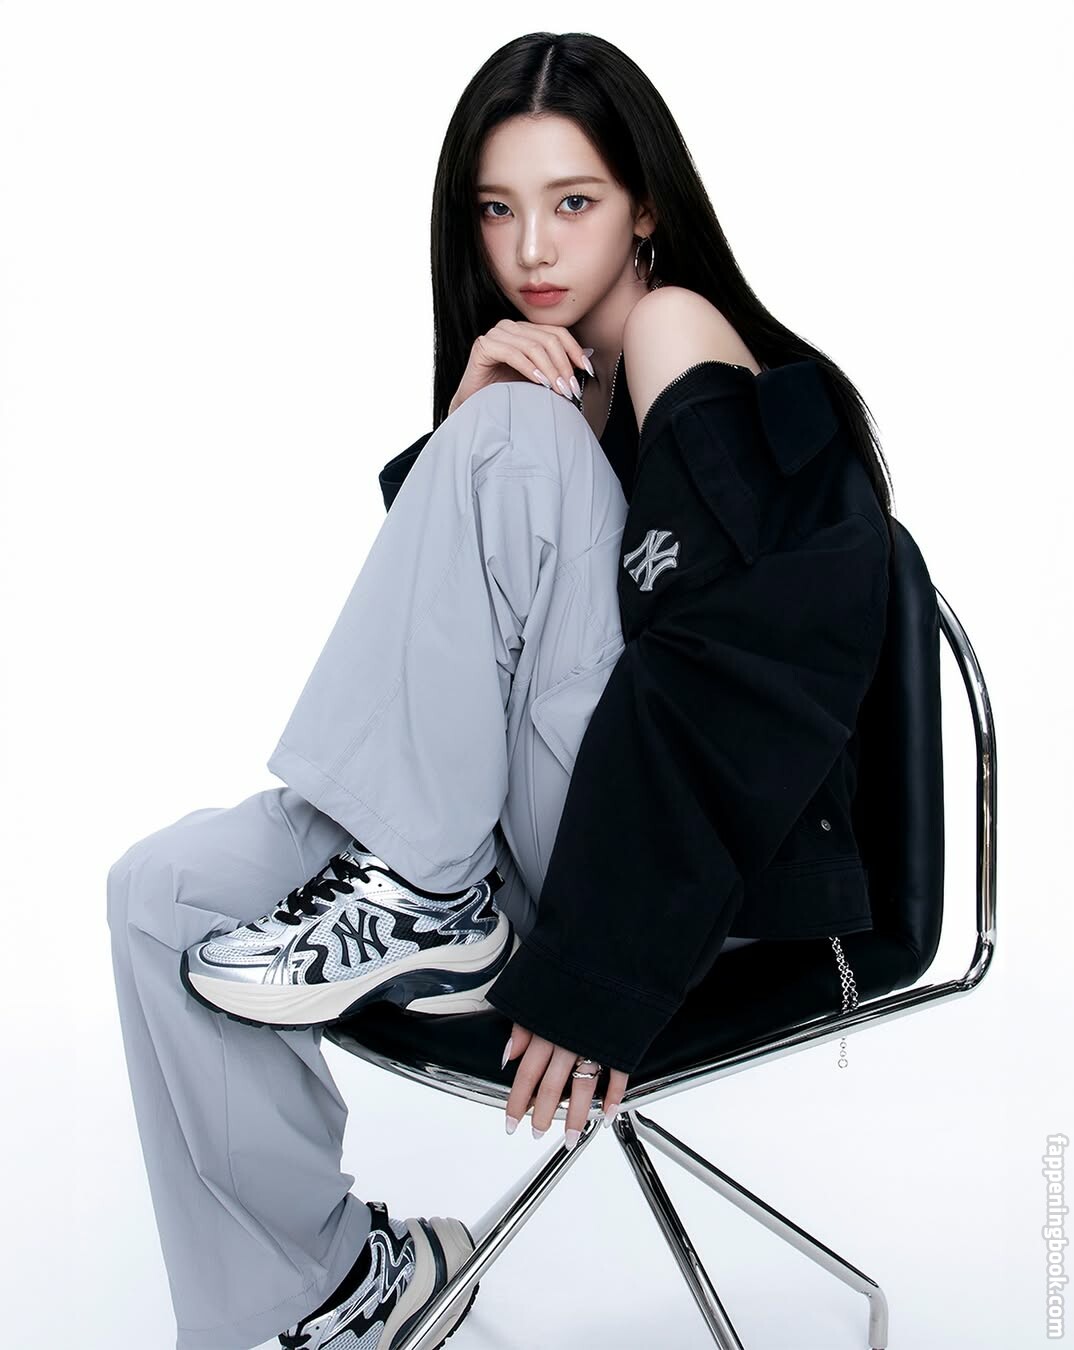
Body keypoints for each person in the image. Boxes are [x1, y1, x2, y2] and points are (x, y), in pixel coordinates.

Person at [106, 30, 895, 1350]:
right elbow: (451, 679)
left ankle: (423, 889)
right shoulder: (544, 395)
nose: (531, 249)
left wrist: (606, 966)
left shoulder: (672, 327)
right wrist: (460, 433)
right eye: (496, 209)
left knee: (511, 437)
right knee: (161, 896)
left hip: (675, 867)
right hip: (526, 835)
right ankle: (328, 1290)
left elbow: (741, 669)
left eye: (572, 202)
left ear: (646, 209)